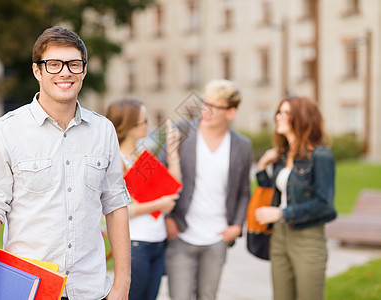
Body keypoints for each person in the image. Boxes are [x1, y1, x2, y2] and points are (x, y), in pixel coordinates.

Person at [0, 26, 131, 300]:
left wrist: (122, 285)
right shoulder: (4, 132)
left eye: (73, 64)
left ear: (84, 70)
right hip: (29, 291)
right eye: (54, 65)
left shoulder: (104, 131)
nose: (65, 72)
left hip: (90, 290)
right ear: (37, 71)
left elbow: (116, 207)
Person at [159, 79, 253, 300]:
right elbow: (159, 176)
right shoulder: (182, 132)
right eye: (205, 104)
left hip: (218, 237)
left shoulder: (242, 145)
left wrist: (237, 226)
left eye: (214, 107)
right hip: (181, 233)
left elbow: (243, 191)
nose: (206, 111)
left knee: (207, 296)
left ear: (231, 112)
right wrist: (168, 217)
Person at [255, 96, 337, 300]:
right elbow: (271, 190)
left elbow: (325, 205)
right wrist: (262, 165)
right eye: (278, 112)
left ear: (302, 118)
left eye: (285, 113)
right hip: (280, 236)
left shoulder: (321, 156)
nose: (278, 117)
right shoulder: (283, 156)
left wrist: (281, 213)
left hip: (307, 238)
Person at [105, 98, 180, 300]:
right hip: (136, 243)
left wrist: (172, 151)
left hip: (157, 241)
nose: (148, 124)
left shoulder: (141, 155)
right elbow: (118, 210)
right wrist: (158, 205)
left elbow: (171, 186)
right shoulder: (117, 160)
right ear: (128, 126)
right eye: (143, 120)